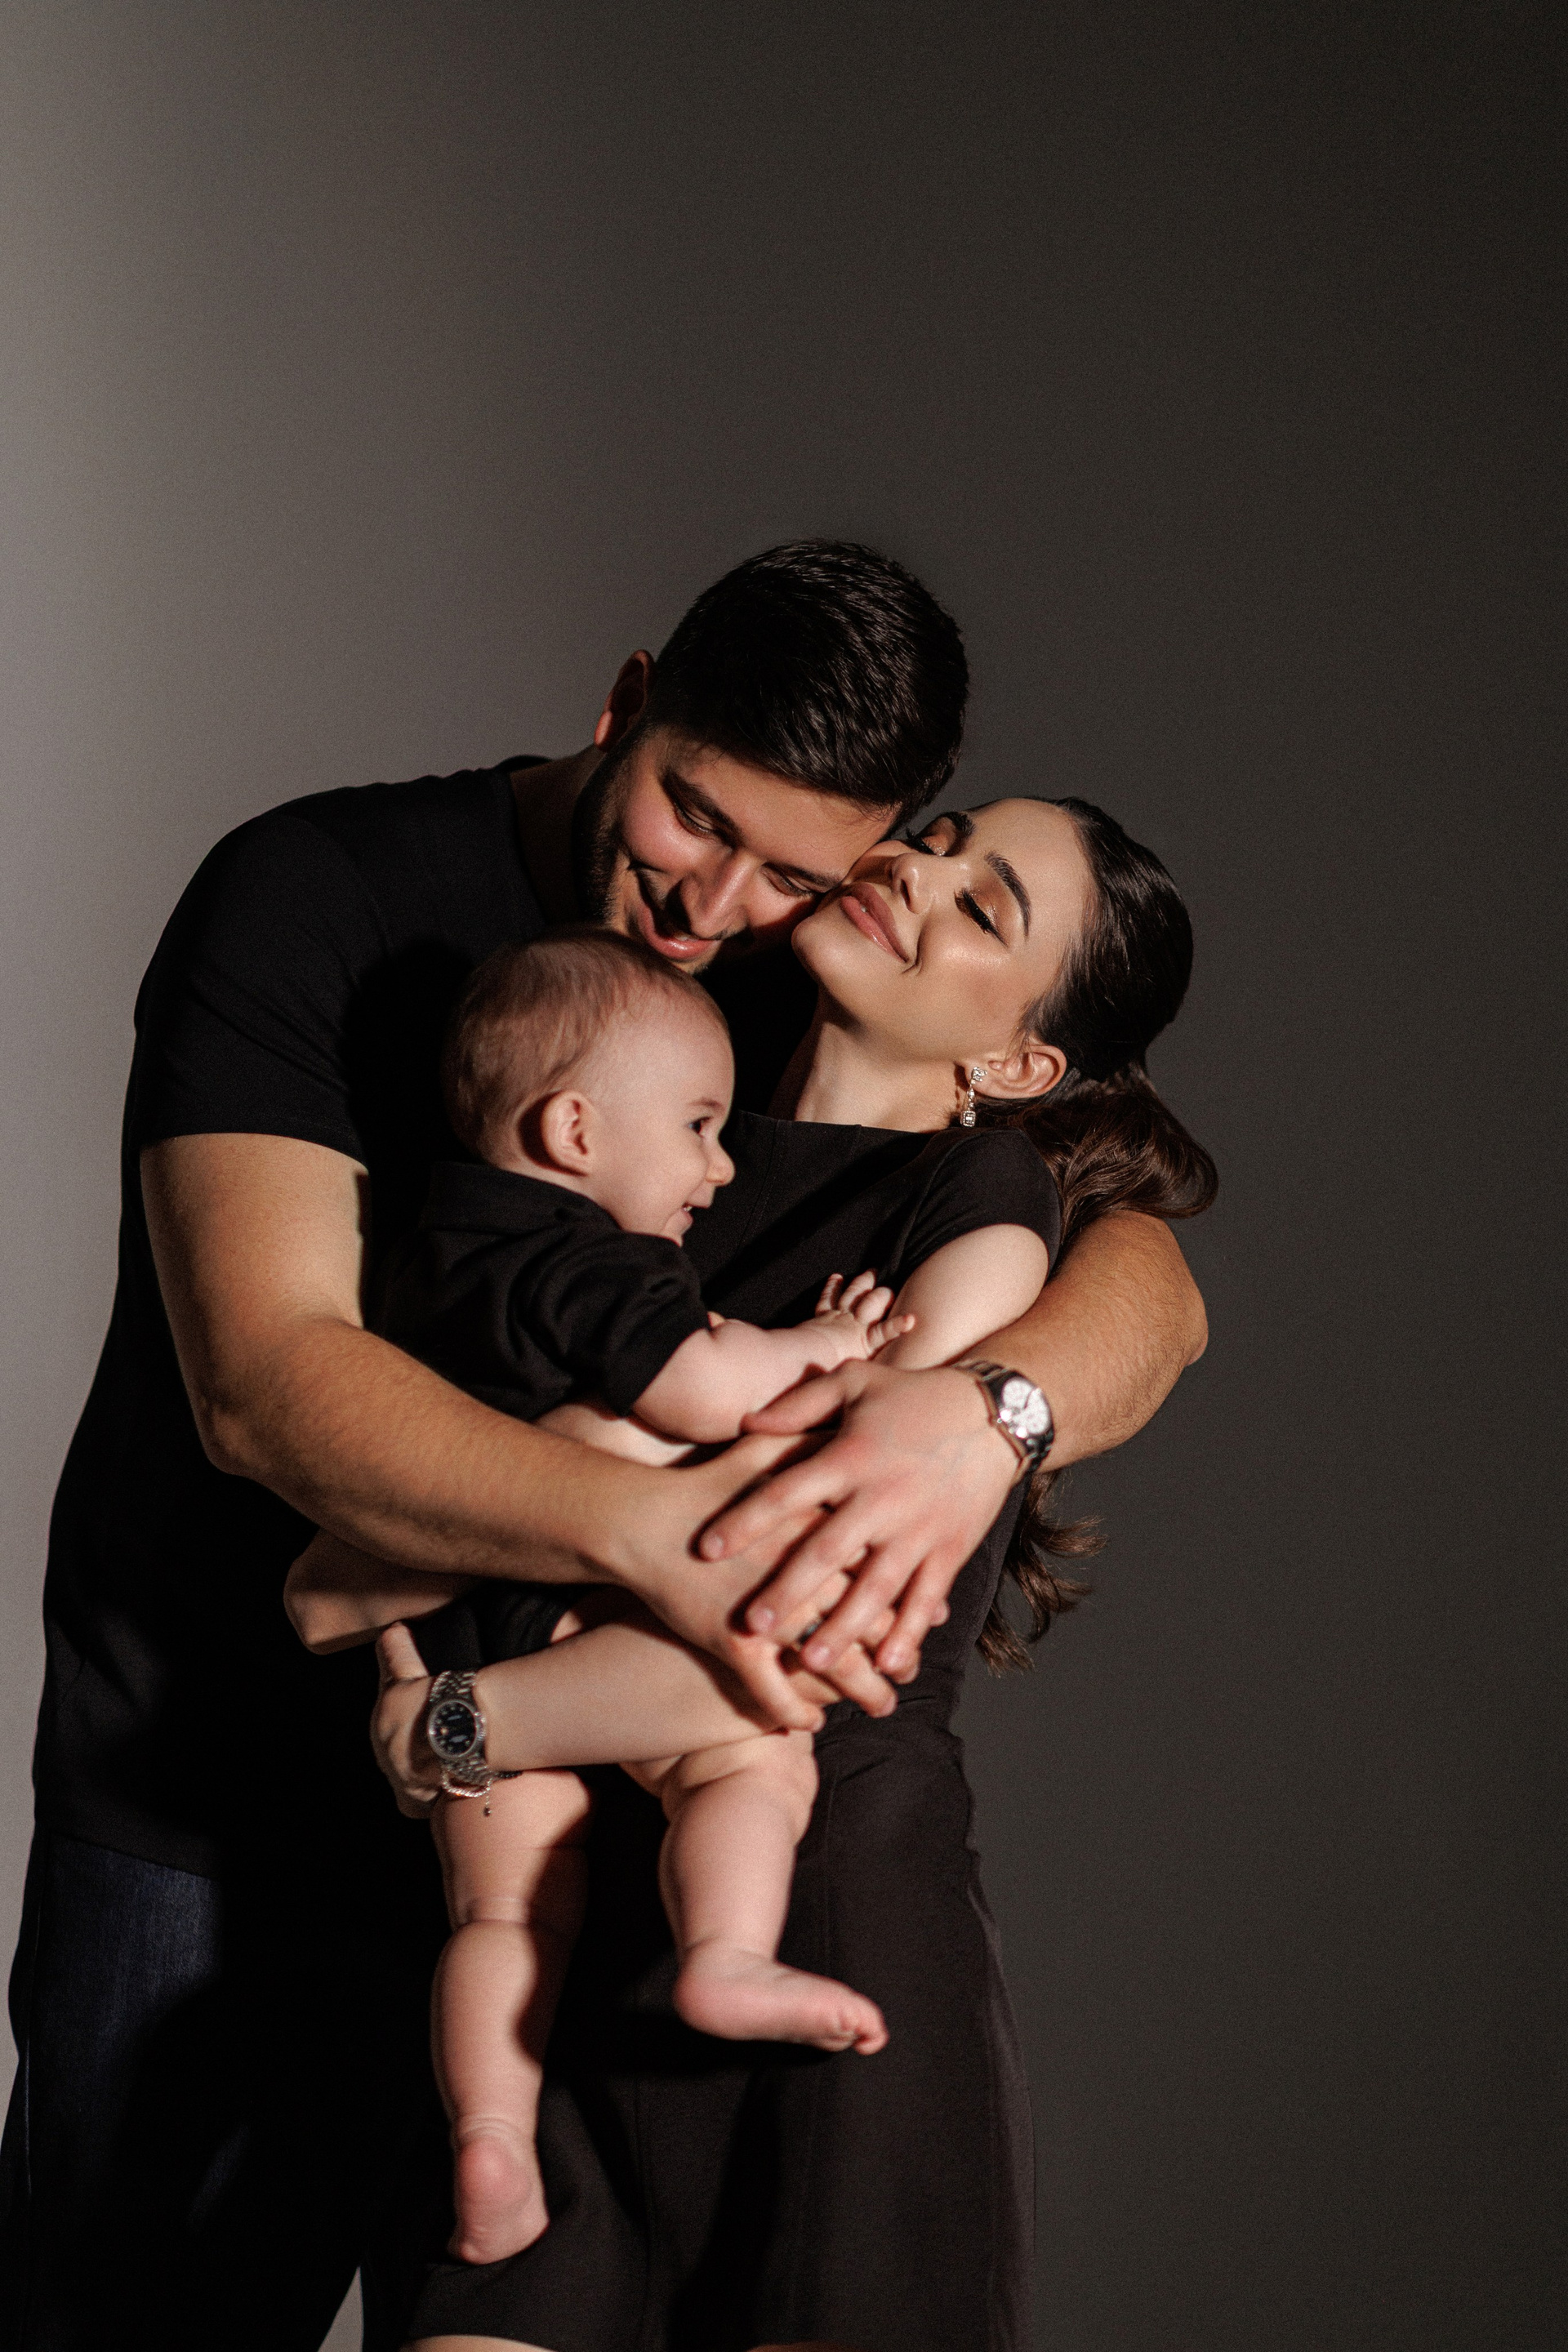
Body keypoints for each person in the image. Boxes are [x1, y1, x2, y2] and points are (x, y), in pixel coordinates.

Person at [0, 542, 1205, 2351]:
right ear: (627, 704)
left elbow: (1148, 1282)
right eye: (690, 818)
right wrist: (641, 1542)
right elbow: (267, 1388)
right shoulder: (319, 892)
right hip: (221, 1816)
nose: (712, 906)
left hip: (593, 1858)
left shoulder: (816, 977)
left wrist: (988, 1416)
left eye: (795, 867)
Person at [350, 791, 1216, 2352]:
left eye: (984, 905)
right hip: (534, 1953)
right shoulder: (627, 1095)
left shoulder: (982, 1202)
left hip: (818, 1895)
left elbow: (781, 1524)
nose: (918, 872)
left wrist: (465, 1697)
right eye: (939, 837)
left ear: (1020, 1064)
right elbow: (369, 1505)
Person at [377, 929, 906, 2266]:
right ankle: (726, 1952)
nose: (718, 1169)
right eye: (697, 1127)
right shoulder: (590, 1258)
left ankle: (491, 2137)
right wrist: (828, 1342)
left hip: (434, 1633)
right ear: (572, 1132)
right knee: (753, 1748)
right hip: (558, 1614)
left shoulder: (421, 1247)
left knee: (504, 1912)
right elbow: (704, 1389)